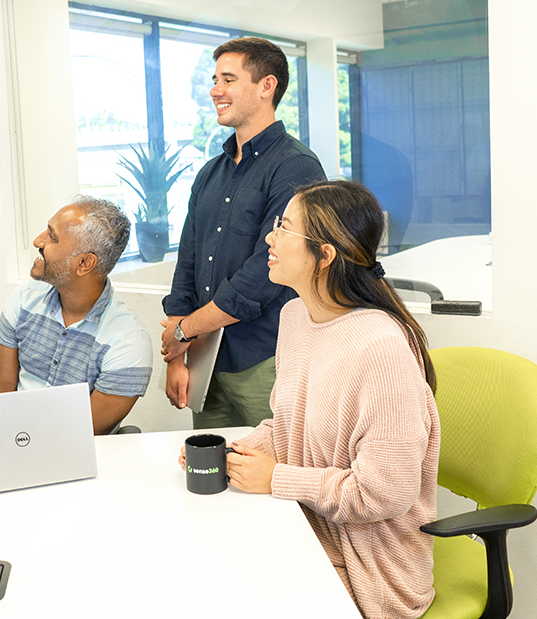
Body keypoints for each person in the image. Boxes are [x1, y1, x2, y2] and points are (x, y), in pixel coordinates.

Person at [181, 180, 440, 619]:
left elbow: (385, 494)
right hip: (307, 525)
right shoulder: (296, 315)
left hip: (369, 568)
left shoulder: (381, 350)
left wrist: (275, 479)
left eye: (284, 227)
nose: (269, 237)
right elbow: (289, 424)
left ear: (324, 256)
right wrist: (240, 454)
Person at [161, 36, 326, 429]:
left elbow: (263, 275)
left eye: (228, 79)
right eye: (214, 80)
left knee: (277, 479)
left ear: (266, 86)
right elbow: (188, 263)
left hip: (265, 359)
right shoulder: (209, 173)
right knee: (213, 477)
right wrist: (178, 356)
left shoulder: (295, 167)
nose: (216, 90)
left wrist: (185, 330)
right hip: (206, 359)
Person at [0, 196, 153, 435]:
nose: (37, 241)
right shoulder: (24, 300)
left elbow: (81, 433)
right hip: (13, 441)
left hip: (76, 458)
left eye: (51, 236)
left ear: (85, 263)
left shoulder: (128, 342)